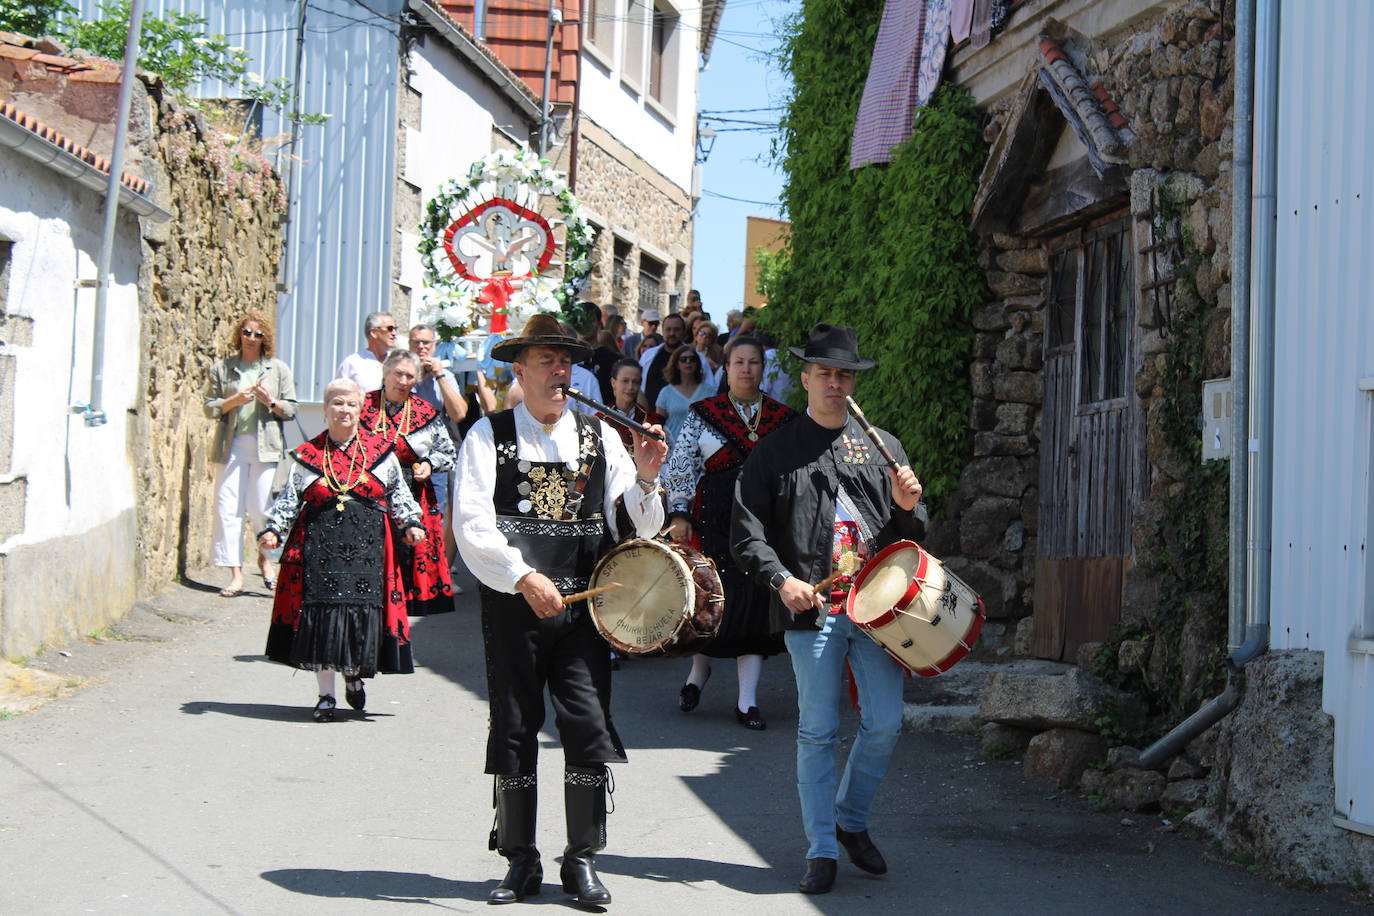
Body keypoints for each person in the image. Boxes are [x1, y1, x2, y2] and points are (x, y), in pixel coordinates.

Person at [453, 313, 667, 906]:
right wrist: (522, 576)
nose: (560, 371)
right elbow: (470, 522)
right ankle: (521, 859)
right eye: (547, 361)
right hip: (515, 605)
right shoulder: (487, 435)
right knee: (516, 725)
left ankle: (582, 859)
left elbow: (639, 528)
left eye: (566, 361)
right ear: (519, 370)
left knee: (587, 724)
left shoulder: (602, 438)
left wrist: (647, 478)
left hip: (586, 611)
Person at [731, 323, 924, 896]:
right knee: (817, 731)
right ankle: (821, 849)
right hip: (811, 610)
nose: (836, 383)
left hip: (877, 608)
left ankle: (850, 819)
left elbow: (911, 539)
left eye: (845, 374)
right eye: (826, 374)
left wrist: (909, 509)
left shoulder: (882, 446)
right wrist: (781, 579)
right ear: (807, 379)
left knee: (885, 721)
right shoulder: (777, 450)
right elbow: (745, 533)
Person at [258, 378, 427, 722]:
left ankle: (352, 676)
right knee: (322, 620)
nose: (344, 409)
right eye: (336, 402)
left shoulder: (381, 452)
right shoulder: (307, 455)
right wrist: (273, 530)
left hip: (367, 552)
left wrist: (411, 523)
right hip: (320, 551)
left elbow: (399, 496)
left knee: (359, 618)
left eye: (350, 403)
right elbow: (288, 500)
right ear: (325, 409)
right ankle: (325, 696)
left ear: (361, 408)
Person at [663, 336, 795, 728]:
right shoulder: (704, 413)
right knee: (714, 601)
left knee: (752, 603)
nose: (746, 369)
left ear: (762, 367)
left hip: (762, 521)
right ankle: (697, 675)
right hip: (714, 519)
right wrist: (680, 513)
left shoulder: (782, 417)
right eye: (738, 362)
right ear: (726, 367)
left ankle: (747, 702)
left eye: (753, 362)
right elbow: (682, 463)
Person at [204, 311, 298, 597]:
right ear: (239, 334)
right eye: (247, 332)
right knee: (228, 507)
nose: (252, 339)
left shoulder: (277, 369)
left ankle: (264, 558)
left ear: (265, 339)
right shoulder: (223, 368)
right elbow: (209, 406)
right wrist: (234, 400)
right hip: (231, 445)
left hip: (265, 446)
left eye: (258, 334)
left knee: (260, 509)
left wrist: (269, 401)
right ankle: (236, 574)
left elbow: (291, 410)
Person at [360, 349, 458, 616]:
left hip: (413, 491)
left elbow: (448, 453)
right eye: (398, 374)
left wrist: (428, 464)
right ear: (385, 373)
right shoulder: (362, 405)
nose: (403, 381)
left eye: (409, 376)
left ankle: (402, 606)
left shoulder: (425, 412)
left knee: (408, 551)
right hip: (368, 492)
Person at [654, 345, 715, 444]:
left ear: (697, 363)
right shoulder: (666, 392)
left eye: (692, 359)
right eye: (683, 359)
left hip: (703, 448)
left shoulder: (709, 391)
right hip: (673, 449)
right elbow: (658, 423)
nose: (688, 362)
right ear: (677, 364)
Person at [600, 358, 662, 453]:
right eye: (625, 381)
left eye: (635, 382)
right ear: (613, 382)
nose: (630, 387)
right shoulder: (600, 419)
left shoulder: (652, 420)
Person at [336, 311, 397, 392]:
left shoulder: (398, 361)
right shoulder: (352, 363)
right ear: (374, 333)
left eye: (395, 329)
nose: (394, 333)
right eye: (390, 329)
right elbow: (338, 395)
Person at [639, 313, 688, 410]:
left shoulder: (696, 358)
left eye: (676, 329)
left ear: (684, 332)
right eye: (668, 329)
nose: (672, 333)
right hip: (650, 417)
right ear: (663, 331)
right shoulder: (648, 356)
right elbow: (638, 386)